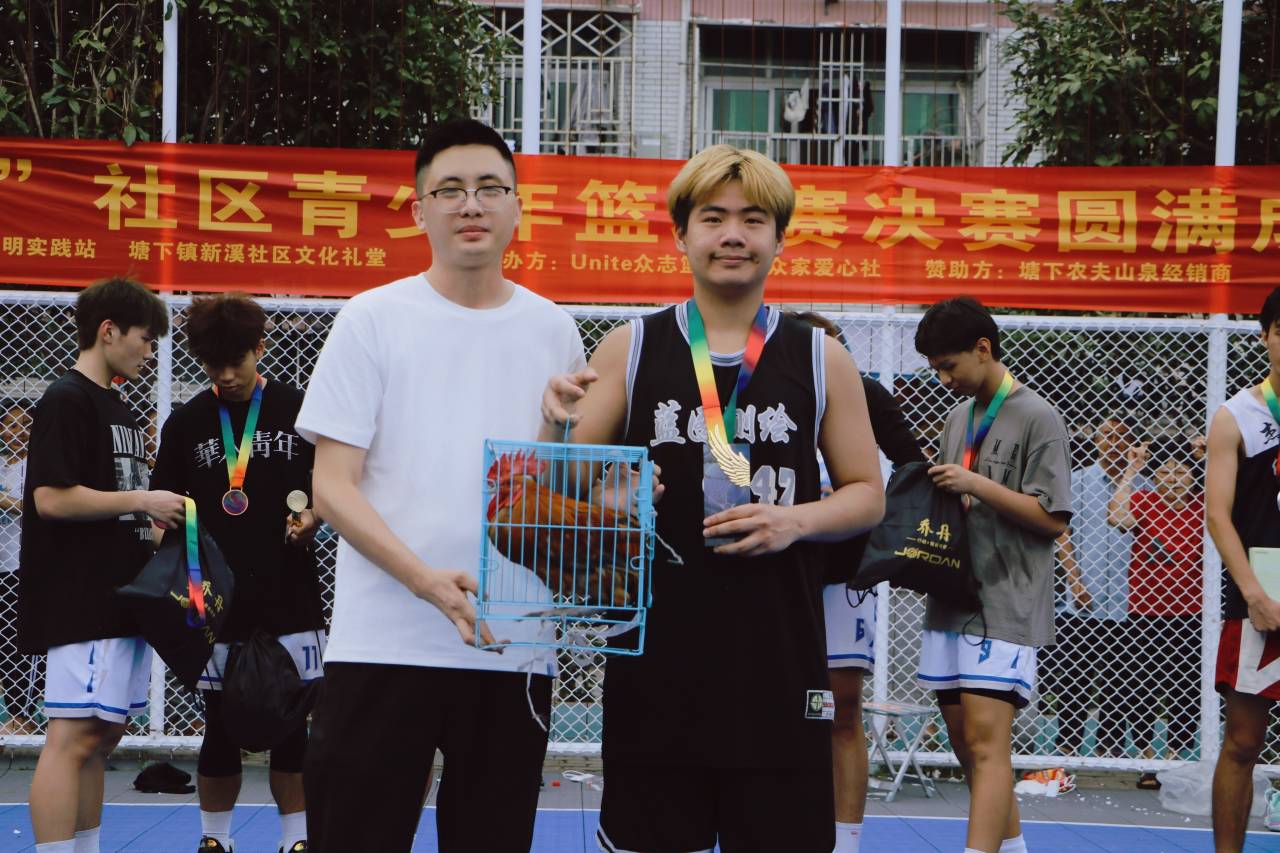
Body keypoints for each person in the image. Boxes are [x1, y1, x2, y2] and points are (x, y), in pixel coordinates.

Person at [540, 145, 885, 853]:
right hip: (656, 661)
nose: (733, 235)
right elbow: (561, 484)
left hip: (779, 660)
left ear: (779, 239)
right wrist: (569, 441)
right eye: (714, 218)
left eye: (753, 220)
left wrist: (796, 520)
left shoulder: (822, 357)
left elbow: (867, 495)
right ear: (681, 234)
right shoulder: (630, 348)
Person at [296, 119, 586, 852]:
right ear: (419, 210)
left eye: (490, 188)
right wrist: (425, 582)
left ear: (517, 206)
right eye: (450, 190)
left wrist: (556, 430)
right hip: (384, 641)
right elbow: (331, 487)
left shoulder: (554, 329)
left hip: (512, 644)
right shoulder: (371, 319)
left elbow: (544, 489)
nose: (471, 205)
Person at [150, 294, 324, 853]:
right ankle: (214, 840)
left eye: (237, 362)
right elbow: (163, 508)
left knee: (292, 725)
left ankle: (296, 841)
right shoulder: (187, 422)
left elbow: (334, 484)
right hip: (216, 601)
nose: (225, 375)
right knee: (219, 725)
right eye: (213, 365)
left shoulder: (301, 410)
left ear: (260, 349)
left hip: (290, 594)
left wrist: (315, 516)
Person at [19, 277, 186, 853]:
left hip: (121, 598)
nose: (150, 350)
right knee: (72, 737)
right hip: (81, 598)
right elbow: (50, 498)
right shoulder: (67, 399)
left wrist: (163, 526)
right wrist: (143, 500)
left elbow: (120, 504)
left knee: (102, 735)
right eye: (145, 337)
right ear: (108, 331)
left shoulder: (116, 406)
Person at [912, 296, 1072, 853]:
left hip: (1005, 600)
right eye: (934, 368)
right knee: (965, 744)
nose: (943, 378)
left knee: (986, 745)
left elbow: (1053, 519)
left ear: (984, 348)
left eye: (948, 365)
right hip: (951, 596)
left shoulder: (1038, 416)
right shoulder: (958, 417)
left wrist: (976, 484)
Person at [789, 310, 925, 853]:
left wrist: (866, 515)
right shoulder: (768, 394)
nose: (821, 358)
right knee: (775, 705)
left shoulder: (865, 392)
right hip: (776, 568)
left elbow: (911, 464)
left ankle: (844, 842)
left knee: (840, 708)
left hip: (844, 572)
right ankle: (777, 824)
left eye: (830, 348)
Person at [1208, 286, 1280, 852]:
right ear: (1265, 337)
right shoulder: (1237, 415)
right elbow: (1217, 514)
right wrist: (1253, 592)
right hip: (1261, 593)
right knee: (1242, 741)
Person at [1041, 415, 1143, 759]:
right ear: (1096, 441)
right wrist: (1074, 579)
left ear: (1131, 442)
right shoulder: (1079, 481)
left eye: (1120, 436)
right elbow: (1062, 531)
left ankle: (1110, 746)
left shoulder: (1143, 484)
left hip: (1128, 599)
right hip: (1084, 594)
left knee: (1121, 676)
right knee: (1076, 674)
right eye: (1106, 435)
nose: (1112, 442)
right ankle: (1068, 742)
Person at [1108, 437, 1203, 784]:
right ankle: (1147, 758)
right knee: (1141, 685)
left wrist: (1207, 458)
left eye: (1181, 471)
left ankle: (1174, 757)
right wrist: (1132, 470)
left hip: (1191, 613)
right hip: (1145, 611)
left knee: (1186, 687)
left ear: (1193, 475)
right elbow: (1116, 517)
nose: (1173, 479)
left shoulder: (1204, 505)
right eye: (1165, 472)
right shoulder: (1145, 500)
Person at [0, 401, 39, 737]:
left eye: (24, 424)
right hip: (2, 564)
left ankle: (21, 714)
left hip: (22, 565)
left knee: (18, 641)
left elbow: (39, 507)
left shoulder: (35, 466)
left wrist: (5, 501)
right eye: (11, 425)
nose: (18, 432)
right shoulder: (2, 467)